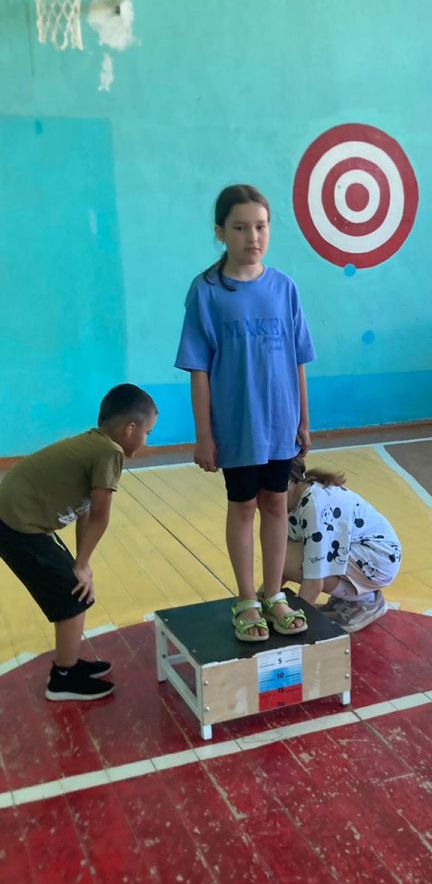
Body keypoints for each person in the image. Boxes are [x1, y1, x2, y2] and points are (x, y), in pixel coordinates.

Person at [175, 184, 316, 643]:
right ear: (220, 232)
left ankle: (274, 594)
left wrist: (303, 420)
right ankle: (247, 599)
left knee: (276, 504)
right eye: (240, 227)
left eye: (260, 226)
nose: (252, 237)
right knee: (243, 507)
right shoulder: (207, 292)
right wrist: (204, 435)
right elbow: (198, 369)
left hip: (280, 424)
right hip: (237, 428)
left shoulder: (284, 288)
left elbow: (298, 359)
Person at [0, 383, 157, 700]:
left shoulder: (94, 444)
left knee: (73, 584)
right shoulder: (109, 453)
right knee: (73, 594)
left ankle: (68, 665)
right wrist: (81, 567)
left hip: (17, 519)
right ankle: (62, 679)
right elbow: (101, 515)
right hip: (16, 525)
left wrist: (81, 562)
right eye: (148, 432)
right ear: (130, 428)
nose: (147, 439)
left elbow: (85, 510)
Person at [282, 455, 402, 633]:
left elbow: (314, 580)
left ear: (289, 482)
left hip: (378, 556)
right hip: (360, 550)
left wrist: (296, 622)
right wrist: (265, 601)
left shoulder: (315, 505)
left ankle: (364, 599)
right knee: (283, 554)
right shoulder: (290, 499)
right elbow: (278, 565)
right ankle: (351, 595)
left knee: (293, 560)